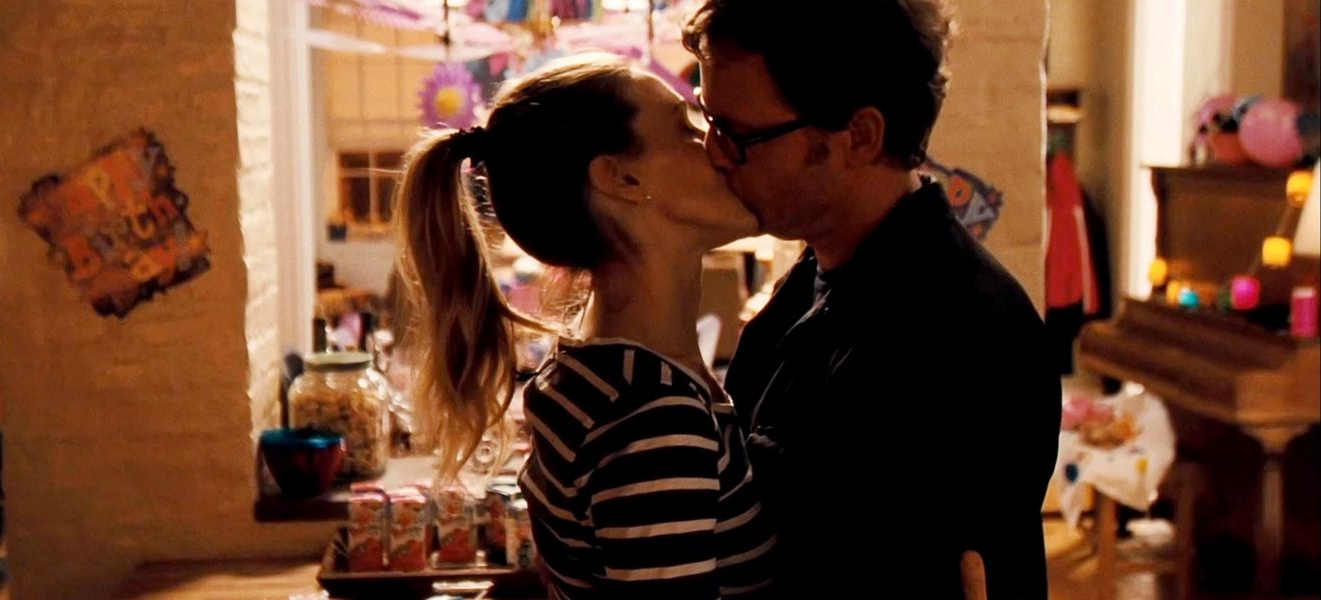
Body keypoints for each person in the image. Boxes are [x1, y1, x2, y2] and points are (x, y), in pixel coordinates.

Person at [683, 0, 1061, 597]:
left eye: (739, 135)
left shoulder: (953, 334)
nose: (714, 153)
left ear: (859, 137)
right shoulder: (821, 274)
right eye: (709, 121)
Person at [393, 53, 776, 598]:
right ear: (621, 178)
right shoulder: (653, 415)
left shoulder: (599, 375)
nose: (718, 147)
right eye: (685, 128)